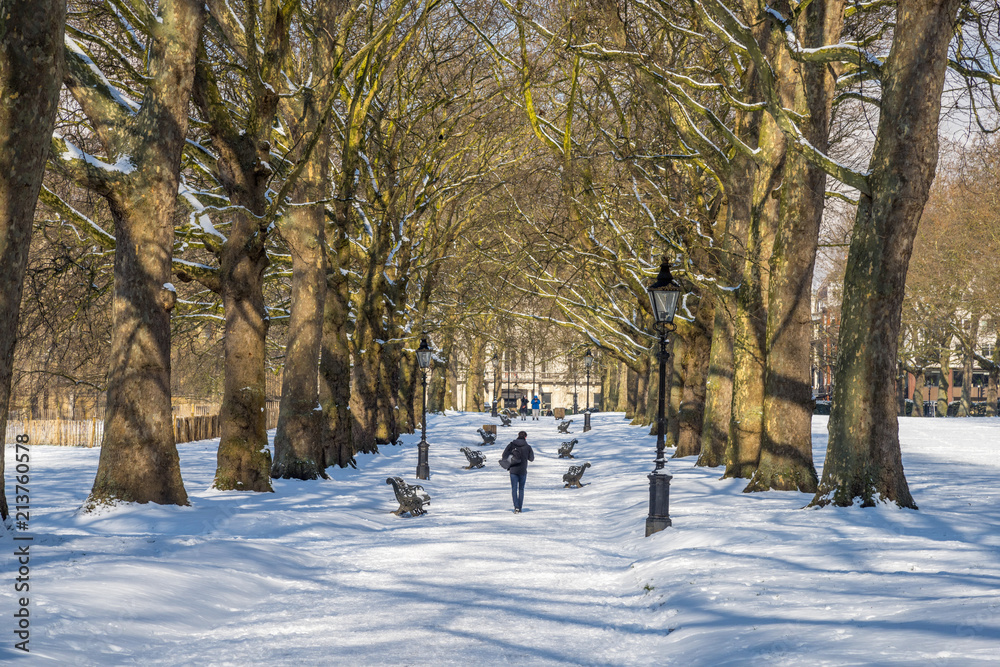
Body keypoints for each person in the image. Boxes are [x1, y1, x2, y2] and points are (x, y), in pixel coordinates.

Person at [503, 431, 534, 513]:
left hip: (513, 470)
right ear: (525, 437)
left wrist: (510, 458)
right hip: (523, 470)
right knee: (521, 489)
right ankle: (520, 507)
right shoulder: (528, 447)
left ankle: (516, 507)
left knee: (514, 489)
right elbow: (531, 459)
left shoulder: (511, 445)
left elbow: (504, 455)